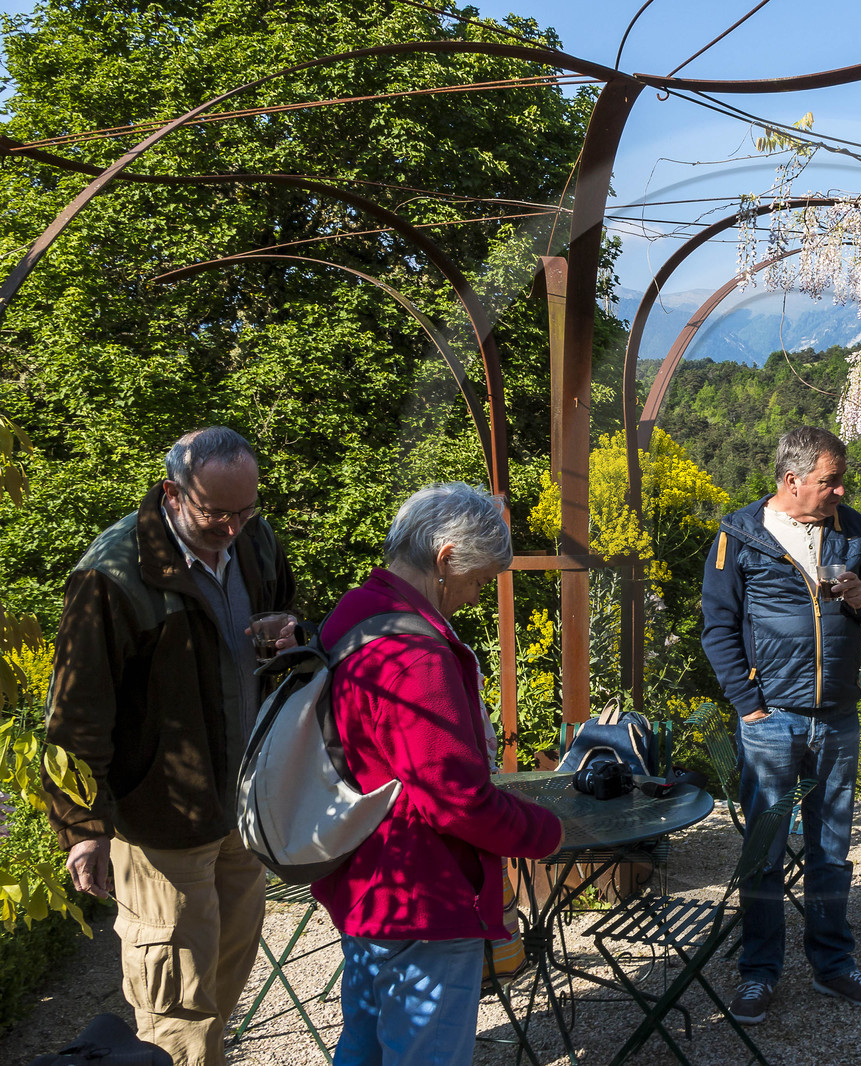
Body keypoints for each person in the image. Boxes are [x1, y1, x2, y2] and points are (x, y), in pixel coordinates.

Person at [45, 427, 300, 1066]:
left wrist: (286, 630)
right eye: (217, 512)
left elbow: (290, 613)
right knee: (177, 1004)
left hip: (243, 809)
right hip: (162, 825)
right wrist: (84, 828)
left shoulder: (255, 543)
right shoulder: (112, 575)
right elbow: (75, 718)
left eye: (246, 511)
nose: (233, 527)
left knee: (222, 982)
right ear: (172, 492)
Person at [313, 482, 563, 1066]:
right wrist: (543, 832)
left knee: (365, 1045)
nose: (477, 597)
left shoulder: (356, 610)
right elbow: (455, 800)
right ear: (445, 557)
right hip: (424, 889)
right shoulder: (415, 656)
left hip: (368, 876)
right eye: (477, 579)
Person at [701, 426, 861, 1025]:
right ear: (792, 481)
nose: (840, 490)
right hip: (771, 722)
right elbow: (717, 626)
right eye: (828, 481)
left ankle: (834, 967)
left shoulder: (851, 528)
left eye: (841, 480)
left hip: (837, 717)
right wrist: (748, 702)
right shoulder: (740, 537)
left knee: (832, 853)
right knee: (763, 855)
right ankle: (759, 974)